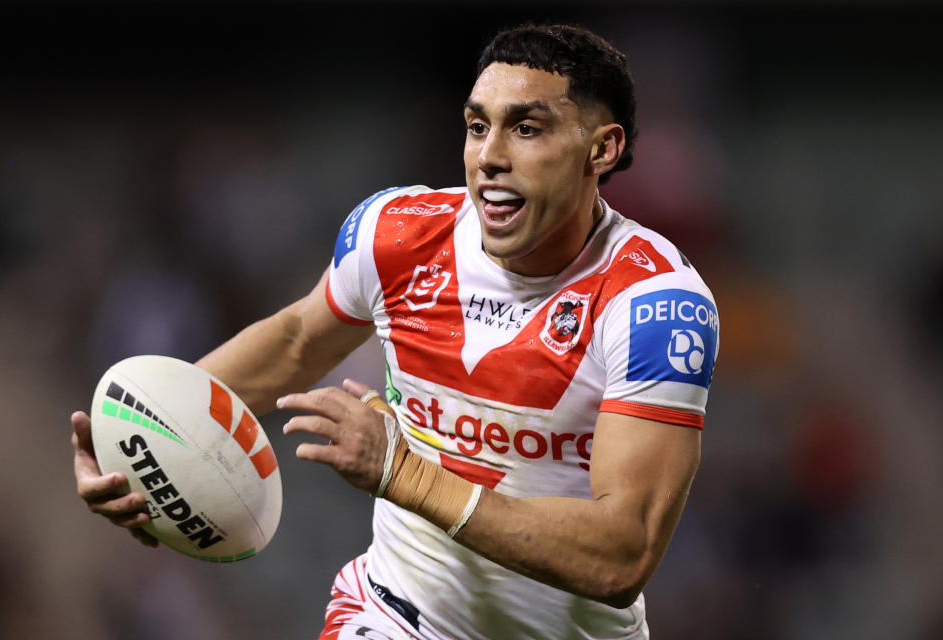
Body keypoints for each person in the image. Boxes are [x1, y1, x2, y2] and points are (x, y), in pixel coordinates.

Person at [72, 24, 719, 640]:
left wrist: (401, 472)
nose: (489, 156)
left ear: (601, 149)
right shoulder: (399, 234)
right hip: (394, 614)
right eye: (476, 126)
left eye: (526, 128)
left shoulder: (655, 305)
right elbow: (298, 340)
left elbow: (620, 555)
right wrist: (145, 439)